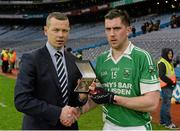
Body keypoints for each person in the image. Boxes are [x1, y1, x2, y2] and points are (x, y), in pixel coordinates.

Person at [77, 9, 160, 130]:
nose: (111, 34)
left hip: (136, 126)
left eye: (116, 28)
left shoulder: (142, 57)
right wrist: (78, 109)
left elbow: (152, 103)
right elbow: (98, 99)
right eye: (108, 29)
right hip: (109, 126)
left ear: (128, 30)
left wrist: (113, 98)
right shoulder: (101, 59)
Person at [14, 12, 85, 130]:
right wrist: (58, 113)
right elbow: (22, 100)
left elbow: (74, 100)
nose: (61, 35)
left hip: (68, 127)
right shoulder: (31, 59)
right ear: (46, 30)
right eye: (56, 30)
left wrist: (82, 96)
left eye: (64, 30)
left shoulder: (76, 61)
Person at [158, 48, 177, 129]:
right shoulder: (162, 62)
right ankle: (168, 123)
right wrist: (171, 82)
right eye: (169, 53)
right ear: (165, 54)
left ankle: (162, 122)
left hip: (167, 86)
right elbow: (162, 75)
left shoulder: (167, 62)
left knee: (164, 104)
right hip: (166, 86)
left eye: (171, 53)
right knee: (166, 105)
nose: (171, 55)